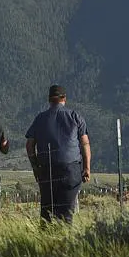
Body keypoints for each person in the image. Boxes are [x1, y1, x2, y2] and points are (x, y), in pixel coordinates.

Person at [25, 84, 92, 224]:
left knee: (47, 213)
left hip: (47, 169)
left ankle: (46, 241)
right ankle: (64, 241)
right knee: (67, 213)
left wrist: (36, 167)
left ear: (49, 100)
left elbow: (29, 145)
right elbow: (85, 143)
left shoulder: (40, 118)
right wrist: (86, 168)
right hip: (70, 169)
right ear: (64, 98)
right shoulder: (75, 116)